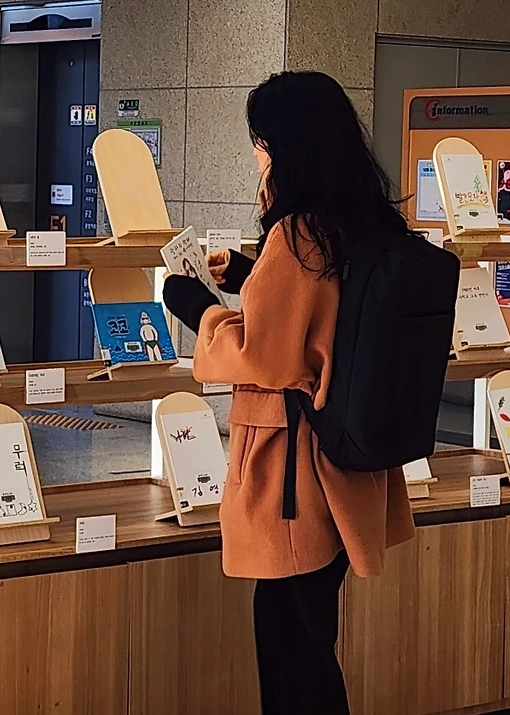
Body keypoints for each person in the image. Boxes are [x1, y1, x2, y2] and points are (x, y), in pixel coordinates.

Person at [161, 70, 415, 715]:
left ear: (284, 145)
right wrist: (252, 275)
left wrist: (196, 306)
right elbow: (324, 317)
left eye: (261, 140)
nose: (257, 154)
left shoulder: (296, 234)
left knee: (291, 651)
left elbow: (263, 357)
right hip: (349, 459)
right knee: (306, 636)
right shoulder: (362, 222)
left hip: (295, 470)